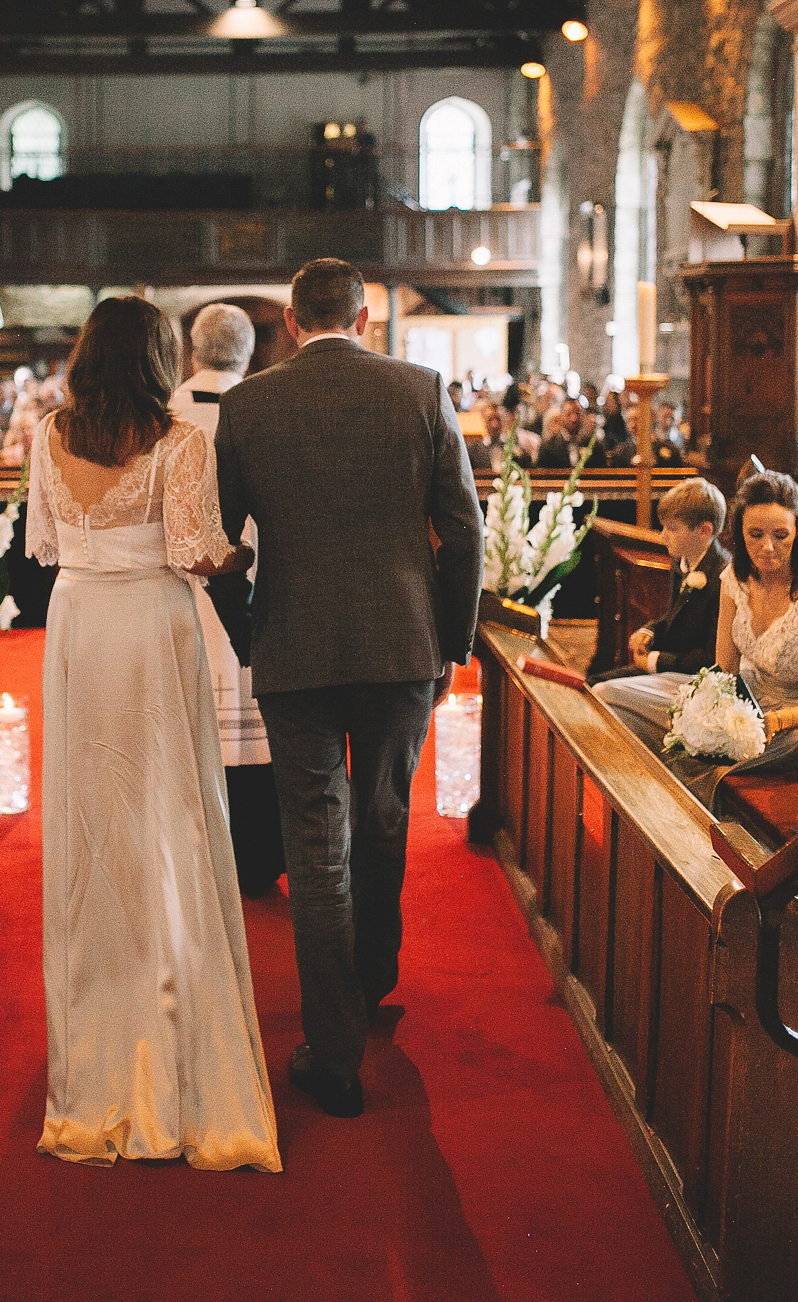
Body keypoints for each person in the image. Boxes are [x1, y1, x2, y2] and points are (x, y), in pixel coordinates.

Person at [214, 258, 484, 1119]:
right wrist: (452, 639)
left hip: (293, 648)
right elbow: (464, 528)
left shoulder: (249, 404)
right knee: (384, 819)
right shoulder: (420, 389)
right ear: (364, 319)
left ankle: (334, 1055)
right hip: (401, 645)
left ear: (290, 322)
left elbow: (219, 545)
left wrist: (248, 624)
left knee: (315, 848)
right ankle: (370, 986)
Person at [25, 296, 280, 1172]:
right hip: (151, 627)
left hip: (81, 626)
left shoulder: (49, 436)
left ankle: (97, 1031)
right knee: (167, 815)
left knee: (95, 818)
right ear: (158, 360)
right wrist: (255, 552)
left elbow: (50, 544)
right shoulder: (179, 443)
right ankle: (168, 1026)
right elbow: (195, 551)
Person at [171, 303, 285, 896]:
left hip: (184, 592)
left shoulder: (165, 415)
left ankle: (194, 859)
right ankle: (259, 855)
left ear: (192, 351)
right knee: (255, 719)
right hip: (256, 591)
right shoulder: (269, 407)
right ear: (248, 353)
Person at [590, 478, 729, 686]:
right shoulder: (681, 561)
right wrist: (650, 631)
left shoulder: (722, 577)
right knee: (592, 683)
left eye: (672, 529)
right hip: (670, 666)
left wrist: (654, 661)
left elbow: (711, 657)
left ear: (704, 531)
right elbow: (672, 618)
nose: (663, 537)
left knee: (603, 689)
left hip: (694, 680)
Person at [715, 471, 798, 748]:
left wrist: (780, 720)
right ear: (740, 532)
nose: (768, 547)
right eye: (755, 534)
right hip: (749, 701)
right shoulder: (734, 579)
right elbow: (725, 670)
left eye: (781, 535)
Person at [537, 395, 605, 467]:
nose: (574, 419)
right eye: (569, 414)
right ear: (561, 415)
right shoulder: (549, 446)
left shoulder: (593, 445)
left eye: (577, 414)